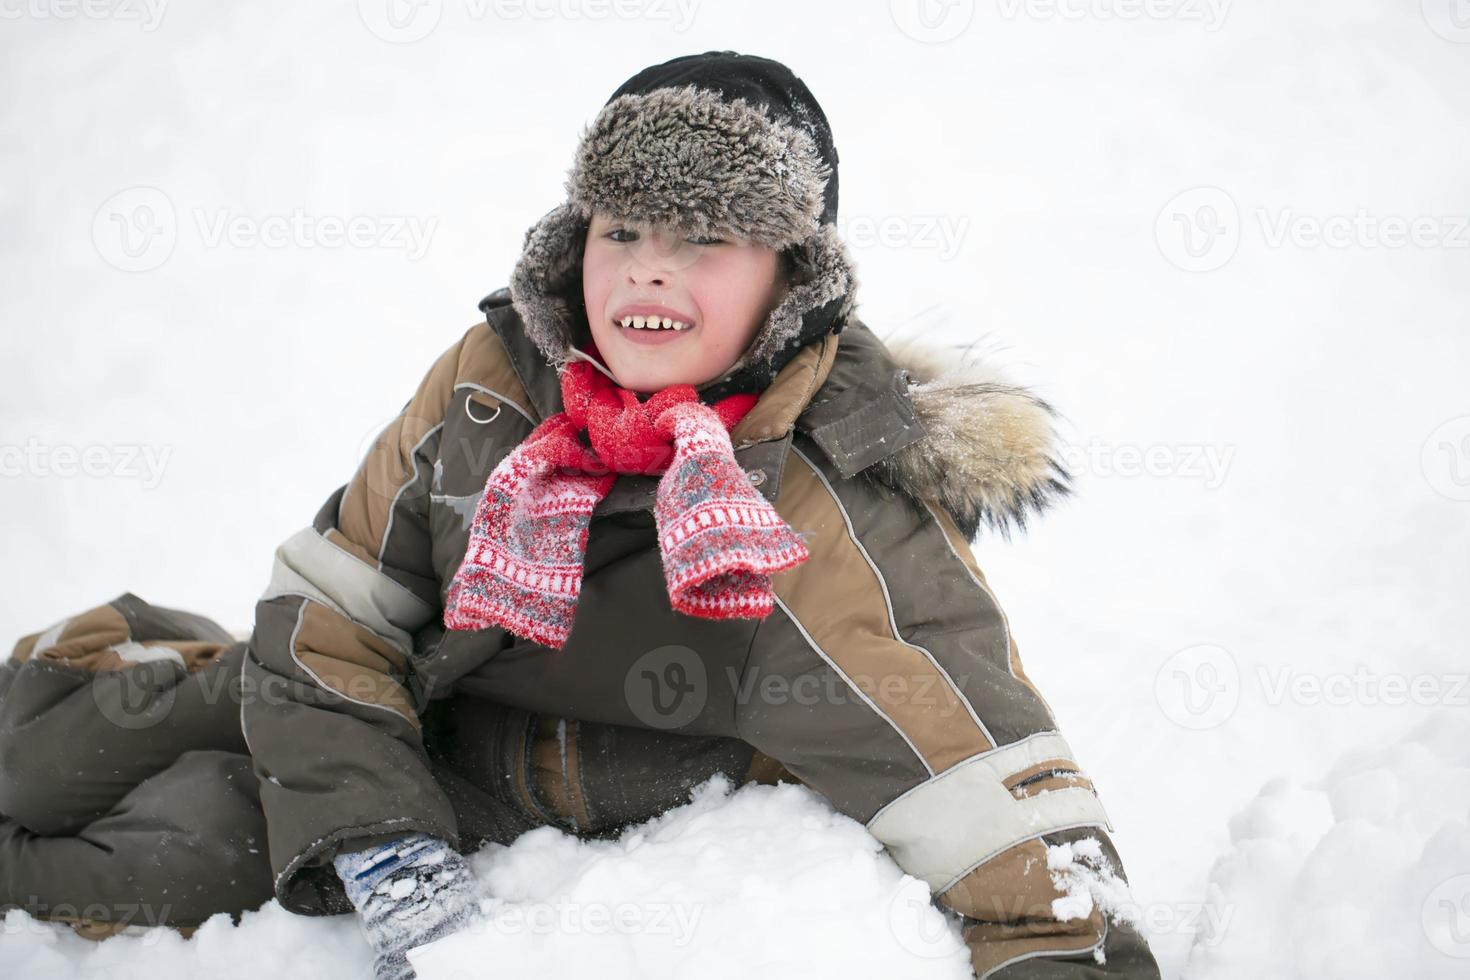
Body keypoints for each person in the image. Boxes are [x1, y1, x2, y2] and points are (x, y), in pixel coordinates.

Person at [0, 51, 1162, 980]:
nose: (649, 274)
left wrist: (1068, 950)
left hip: (496, 781)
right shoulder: (498, 377)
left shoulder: (819, 491)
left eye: (704, 238)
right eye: (623, 232)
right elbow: (334, 608)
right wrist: (376, 828)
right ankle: (113, 660)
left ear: (790, 281)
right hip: (374, 692)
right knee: (59, 742)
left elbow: (978, 762)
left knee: (178, 851)